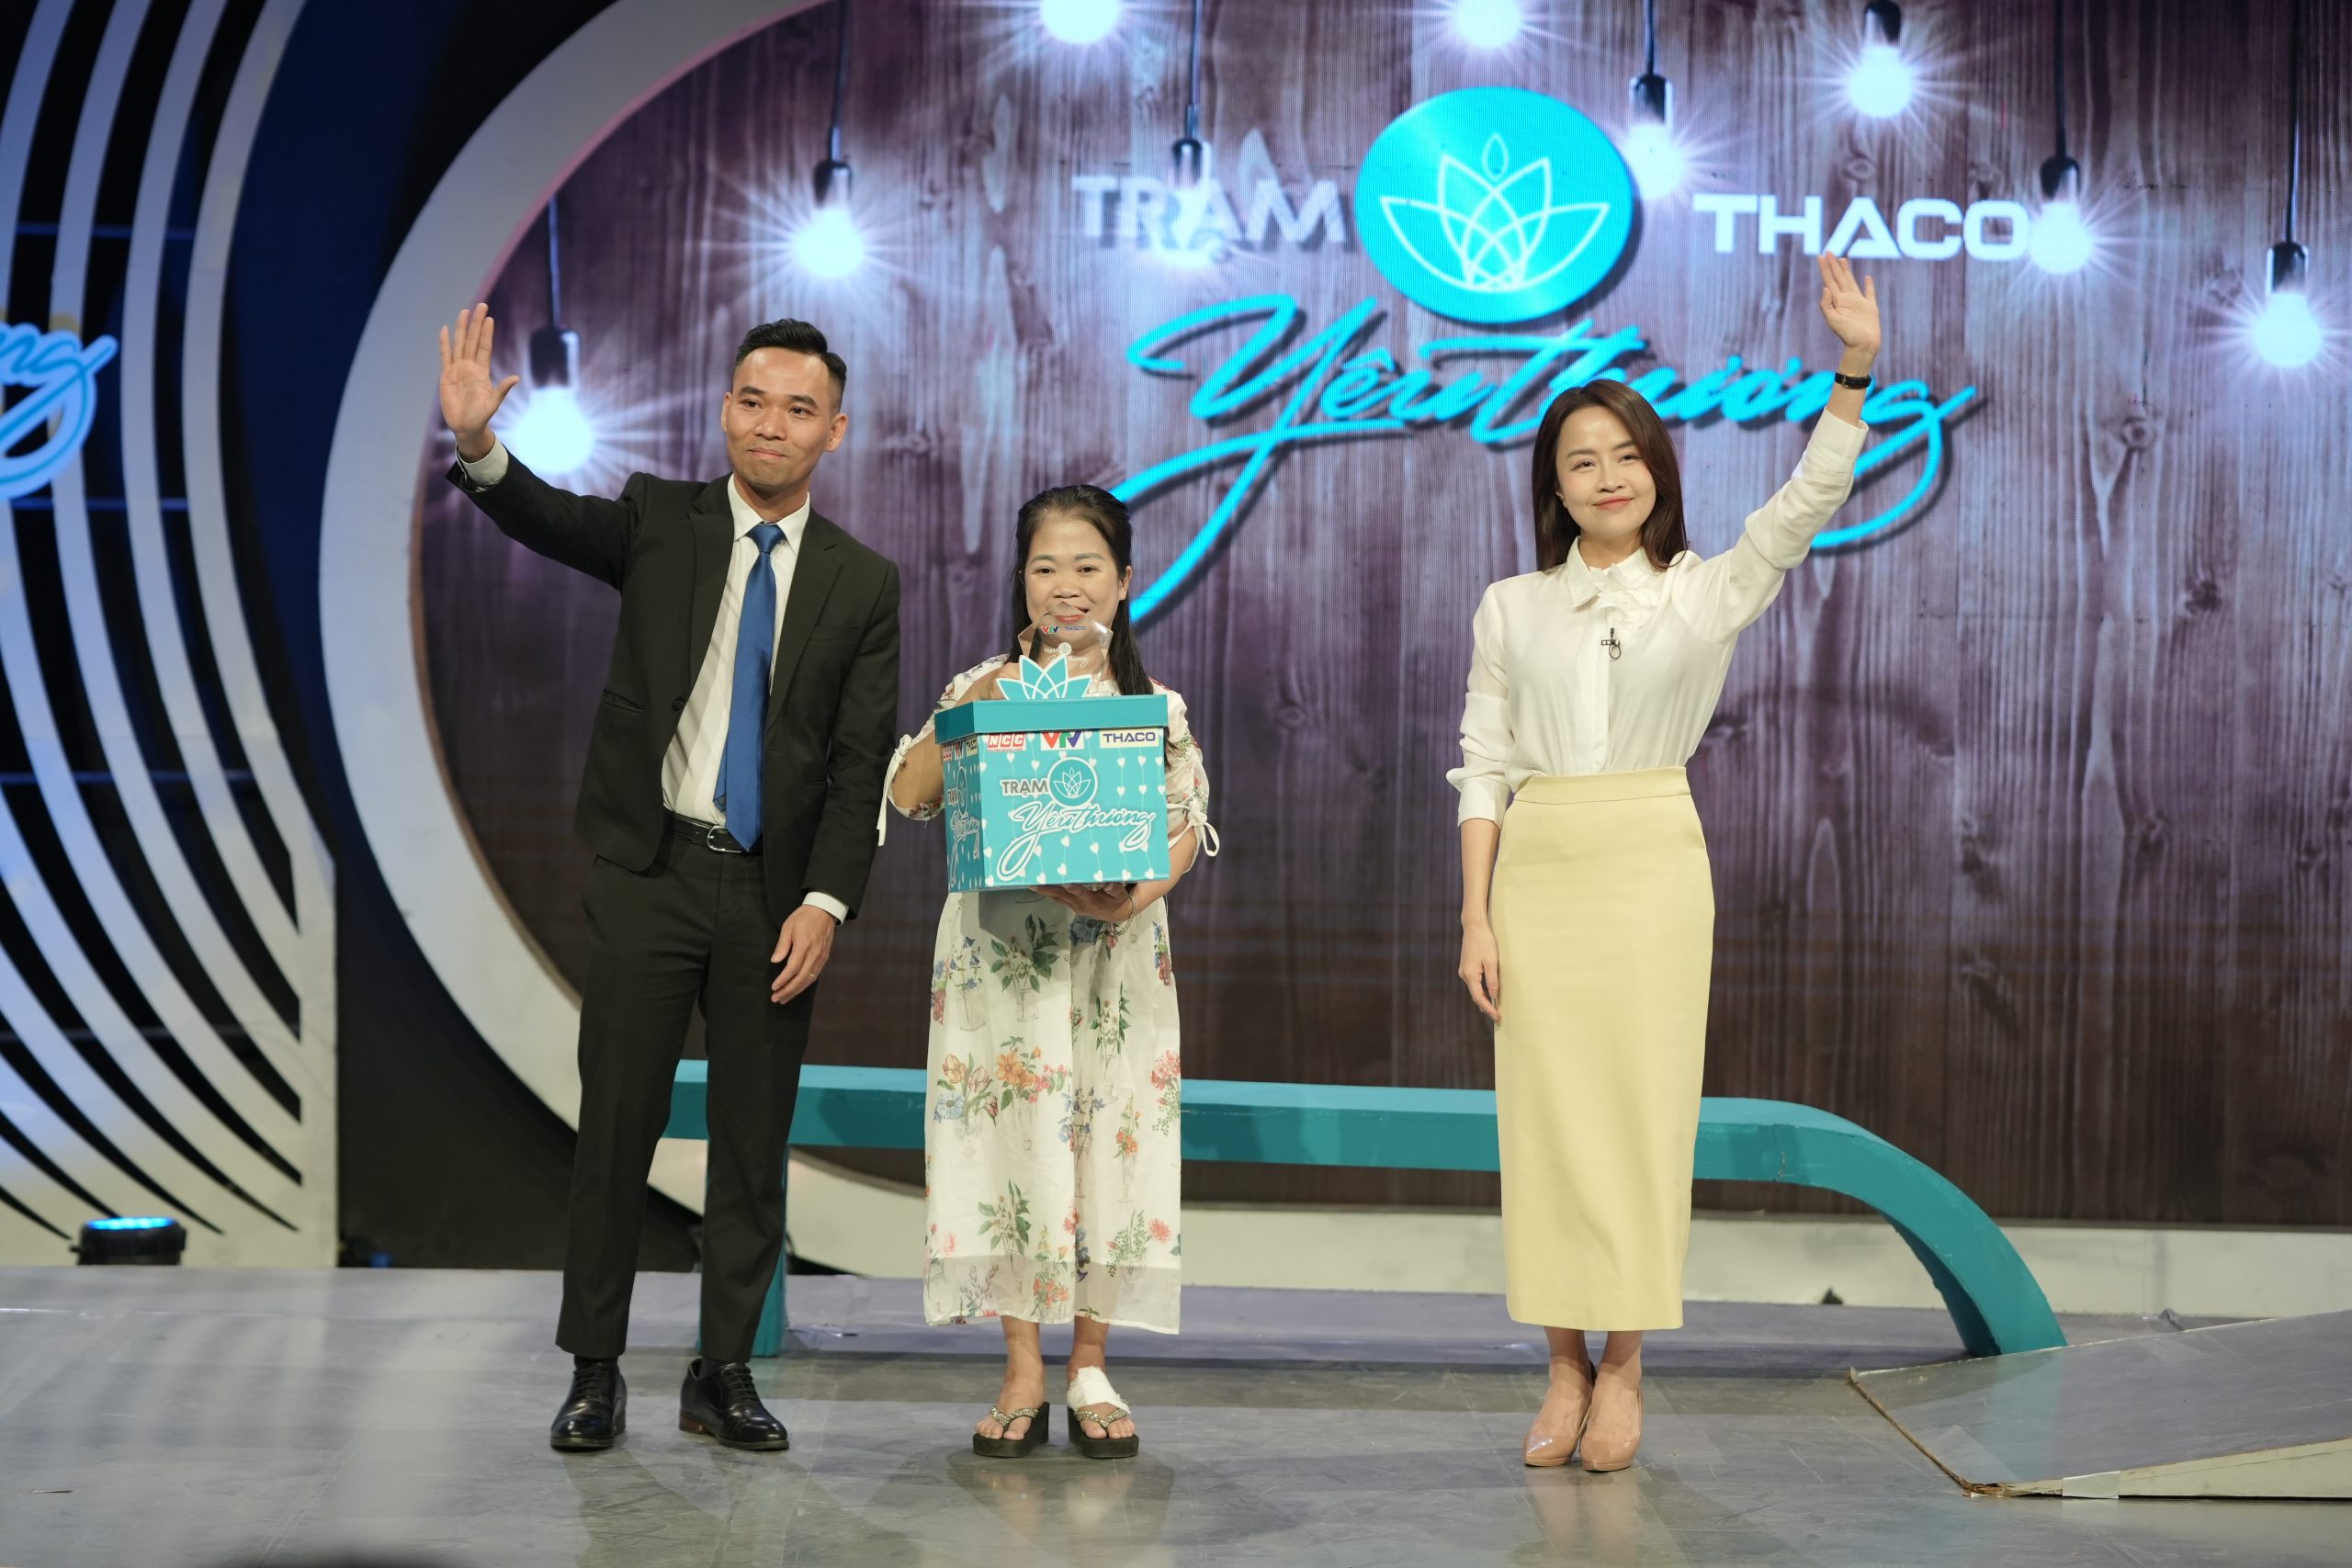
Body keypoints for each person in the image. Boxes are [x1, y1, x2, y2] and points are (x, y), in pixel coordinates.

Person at [436, 306, 899, 1453]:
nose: (770, 425)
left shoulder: (862, 582)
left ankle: (722, 1371)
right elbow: (545, 516)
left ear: (834, 431)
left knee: (751, 1144)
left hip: (773, 900)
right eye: (753, 401)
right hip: (651, 875)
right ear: (725, 409)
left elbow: (860, 765)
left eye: (798, 410)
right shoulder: (660, 520)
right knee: (616, 1132)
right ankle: (594, 1372)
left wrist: (826, 902)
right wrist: (479, 445)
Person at [1450, 252, 1882, 1472]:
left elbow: (1804, 502)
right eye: (1581, 460)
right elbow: (1483, 764)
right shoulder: (1509, 605)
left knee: (1641, 1114)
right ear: (1554, 484)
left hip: (1650, 861)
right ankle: (1560, 1362)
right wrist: (1475, 915)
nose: (1607, 476)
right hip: (1538, 866)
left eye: (1625, 455)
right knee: (1546, 1121)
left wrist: (1853, 369)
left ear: (1657, 471)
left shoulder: (1705, 591)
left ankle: (1627, 1361)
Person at [885, 485, 1213, 1459]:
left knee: (1109, 1140)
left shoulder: (1153, 707)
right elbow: (907, 794)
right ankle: (1023, 1365)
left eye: (1086, 567)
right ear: (1021, 582)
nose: (1066, 586)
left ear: (1124, 581)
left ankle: (1092, 1364)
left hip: (1113, 961)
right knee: (1010, 1143)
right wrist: (991, 692)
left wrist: (1133, 898)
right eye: (1045, 567)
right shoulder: (982, 685)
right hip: (1002, 962)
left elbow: (1187, 825)